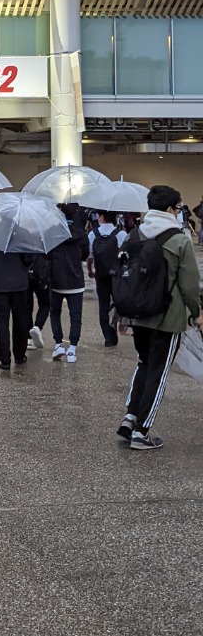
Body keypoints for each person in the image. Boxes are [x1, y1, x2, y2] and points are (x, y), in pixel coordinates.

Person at [117, 184, 203, 452]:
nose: (179, 212)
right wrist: (198, 312)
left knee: (144, 363)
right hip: (167, 317)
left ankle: (131, 416)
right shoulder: (179, 240)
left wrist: (120, 313)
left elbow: (122, 276)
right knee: (159, 371)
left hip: (138, 315)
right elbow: (190, 284)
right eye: (177, 208)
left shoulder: (133, 234)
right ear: (170, 210)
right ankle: (142, 431)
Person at [0, 244, 32, 370]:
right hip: (19, 283)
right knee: (20, 321)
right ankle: (20, 355)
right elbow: (28, 259)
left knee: (2, 322)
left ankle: (5, 359)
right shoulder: (21, 234)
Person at [48, 203, 87, 363]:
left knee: (55, 312)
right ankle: (72, 349)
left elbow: (47, 254)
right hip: (76, 279)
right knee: (75, 316)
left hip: (56, 279)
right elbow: (85, 254)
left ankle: (58, 344)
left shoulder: (53, 233)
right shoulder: (81, 234)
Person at [87, 211, 128, 347]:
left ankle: (107, 337)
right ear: (115, 218)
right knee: (119, 301)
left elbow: (90, 256)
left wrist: (90, 270)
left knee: (103, 305)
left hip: (101, 274)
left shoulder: (93, 234)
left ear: (101, 218)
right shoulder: (121, 234)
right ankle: (114, 322)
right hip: (116, 275)